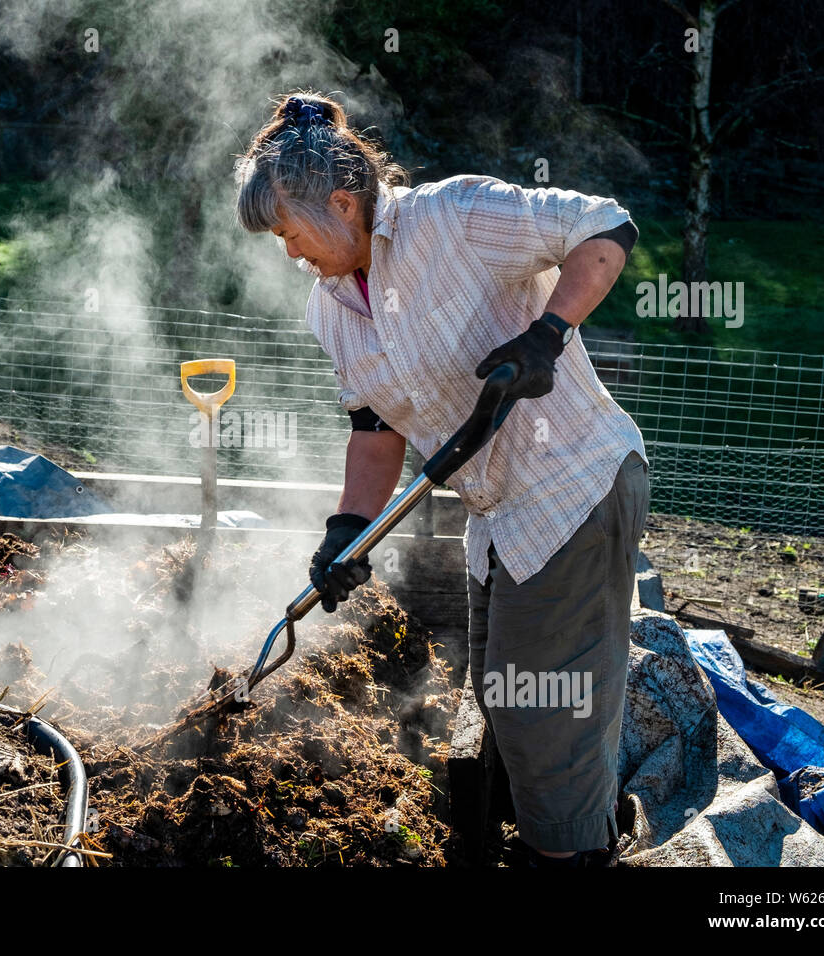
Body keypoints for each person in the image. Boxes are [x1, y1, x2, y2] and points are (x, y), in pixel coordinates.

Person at [233, 92, 650, 867]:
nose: (289, 251)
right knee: (506, 696)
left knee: (539, 707)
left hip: (573, 488)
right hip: (499, 516)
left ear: (343, 201)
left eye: (289, 231)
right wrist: (345, 531)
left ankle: (574, 855)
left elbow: (605, 225)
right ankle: (561, 836)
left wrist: (547, 335)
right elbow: (375, 426)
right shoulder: (330, 308)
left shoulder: (453, 218)